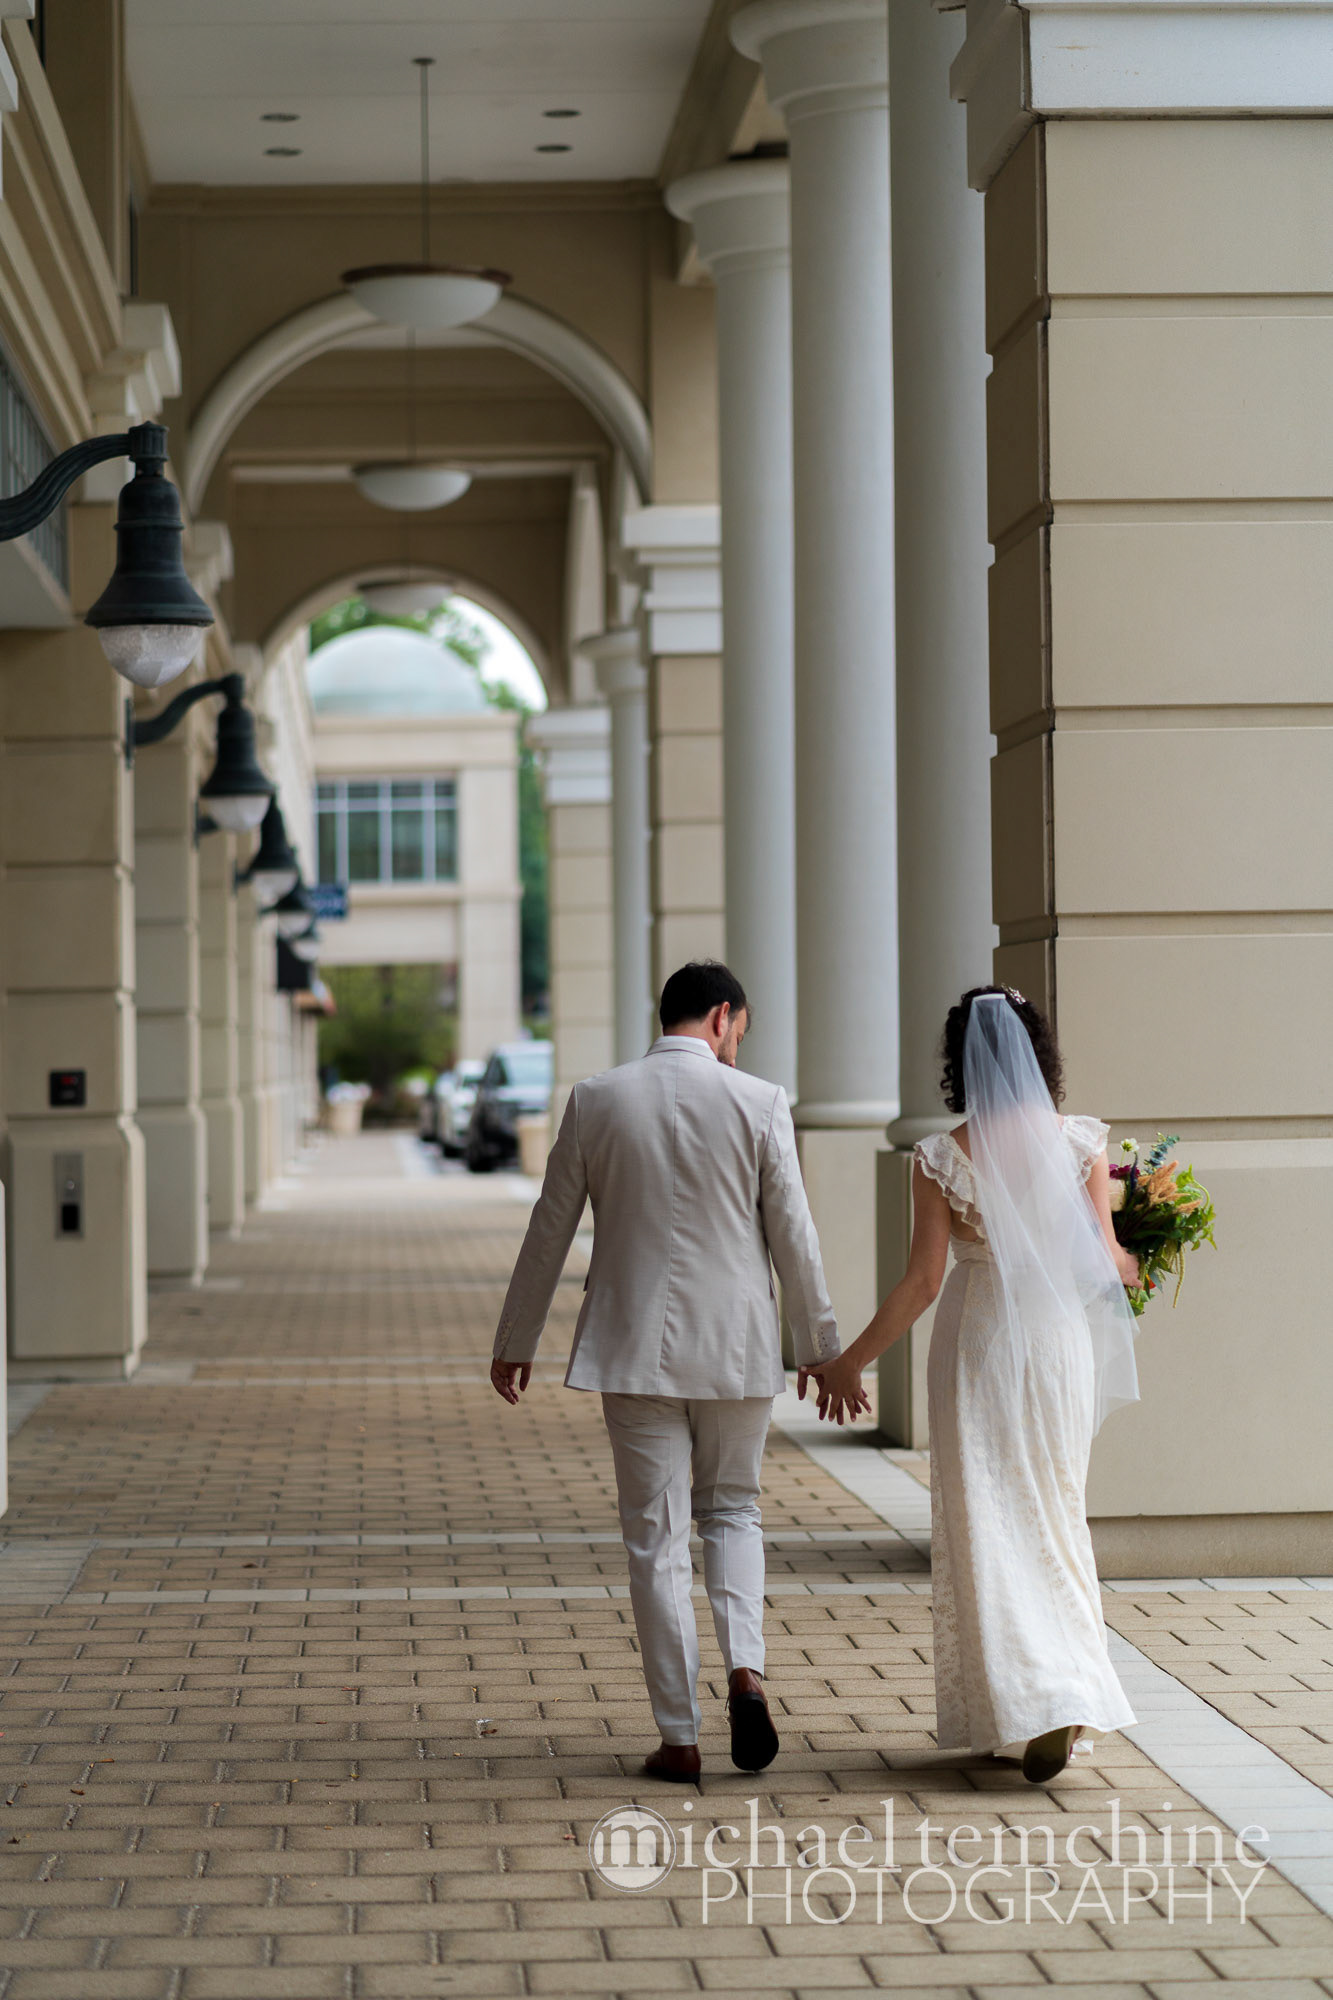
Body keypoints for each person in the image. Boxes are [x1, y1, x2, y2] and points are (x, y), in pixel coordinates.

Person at [490, 960, 841, 1782]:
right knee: (734, 1510)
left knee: (654, 1539)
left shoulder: (596, 1098)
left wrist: (518, 1337)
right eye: (738, 1035)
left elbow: (550, 1228)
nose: (734, 1050)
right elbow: (794, 1234)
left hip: (632, 1346)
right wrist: (820, 1347)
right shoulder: (758, 1102)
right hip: (737, 1346)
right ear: (722, 1016)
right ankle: (745, 1670)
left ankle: (679, 1737)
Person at [810, 986, 1141, 1783]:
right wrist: (1144, 1249)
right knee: (1055, 1512)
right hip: (1057, 1343)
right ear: (1037, 1051)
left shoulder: (939, 1156)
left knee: (988, 1521)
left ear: (959, 1060)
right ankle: (1063, 1695)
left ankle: (1028, 1704)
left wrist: (851, 1359)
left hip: (980, 1340)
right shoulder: (1081, 1144)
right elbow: (1107, 1270)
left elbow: (922, 1283)